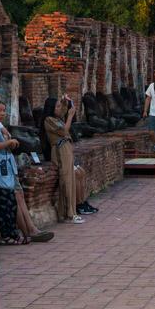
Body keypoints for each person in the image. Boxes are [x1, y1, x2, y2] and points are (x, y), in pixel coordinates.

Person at [0, 99, 29, 245]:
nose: (2, 113)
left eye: (4, 110)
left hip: (5, 166)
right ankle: (7, 236)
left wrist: (9, 140)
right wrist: (9, 142)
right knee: (4, 204)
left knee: (11, 202)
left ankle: (13, 234)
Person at [44, 94, 96, 222]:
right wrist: (71, 116)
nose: (58, 108)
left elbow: (63, 112)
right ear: (51, 108)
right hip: (60, 150)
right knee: (67, 180)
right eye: (56, 106)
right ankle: (69, 213)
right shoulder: (49, 120)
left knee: (73, 177)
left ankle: (75, 208)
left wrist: (65, 102)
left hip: (67, 148)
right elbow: (64, 131)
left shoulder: (57, 118)